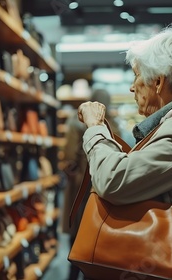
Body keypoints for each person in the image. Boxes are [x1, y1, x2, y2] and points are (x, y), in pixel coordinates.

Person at [76, 24, 172, 280]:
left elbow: (113, 181)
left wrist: (95, 129)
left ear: (158, 82)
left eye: (136, 75)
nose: (132, 87)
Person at [61, 89, 120, 280]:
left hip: (81, 184)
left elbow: (68, 156)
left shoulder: (77, 122)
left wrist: (72, 168)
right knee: (98, 233)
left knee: (77, 231)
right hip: (105, 186)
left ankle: (73, 274)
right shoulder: (113, 125)